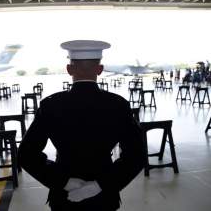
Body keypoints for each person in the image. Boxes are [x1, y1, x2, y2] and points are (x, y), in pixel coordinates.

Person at [18, 40, 145, 211]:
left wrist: (64, 181)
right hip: (104, 196)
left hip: (64, 197)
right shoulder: (118, 105)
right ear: (100, 70)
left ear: (69, 69)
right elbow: (137, 155)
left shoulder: (51, 105)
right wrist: (100, 185)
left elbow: (26, 155)